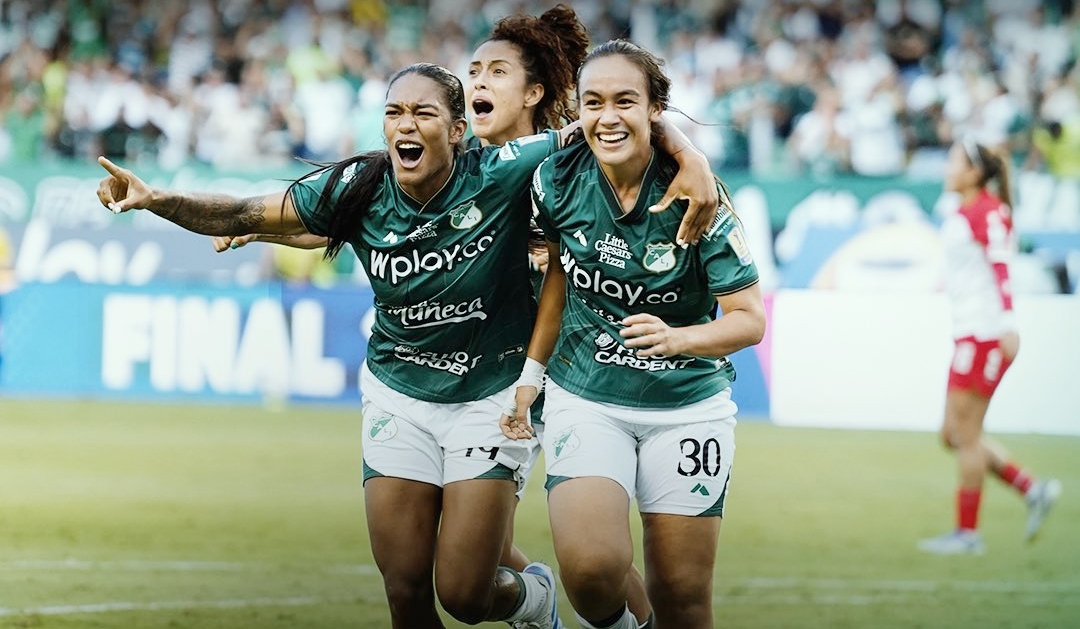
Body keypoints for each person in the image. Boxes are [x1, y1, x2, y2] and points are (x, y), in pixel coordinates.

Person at [97, 59, 719, 628]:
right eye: (394, 112)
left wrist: (690, 155)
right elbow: (242, 212)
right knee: (404, 589)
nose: (406, 124)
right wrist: (156, 200)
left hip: (488, 397)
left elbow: (608, 121)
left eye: (423, 112)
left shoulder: (501, 171)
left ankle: (534, 599)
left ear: (457, 130)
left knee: (465, 596)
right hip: (397, 395)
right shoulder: (357, 186)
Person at [501, 40, 766, 629]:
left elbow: (750, 319)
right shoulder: (556, 179)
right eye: (593, 102)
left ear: (654, 109)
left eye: (625, 100)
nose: (608, 116)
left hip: (687, 405)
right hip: (586, 396)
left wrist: (678, 339)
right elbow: (557, 281)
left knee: (682, 598)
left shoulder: (698, 195)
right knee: (591, 570)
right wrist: (531, 375)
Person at [917, 139, 1062, 556]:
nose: (947, 169)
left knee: (965, 435)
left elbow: (1001, 266)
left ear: (975, 173)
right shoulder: (964, 212)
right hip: (970, 331)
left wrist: (1008, 322)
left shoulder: (988, 212)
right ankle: (1031, 489)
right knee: (953, 434)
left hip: (985, 335)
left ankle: (968, 535)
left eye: (954, 162)